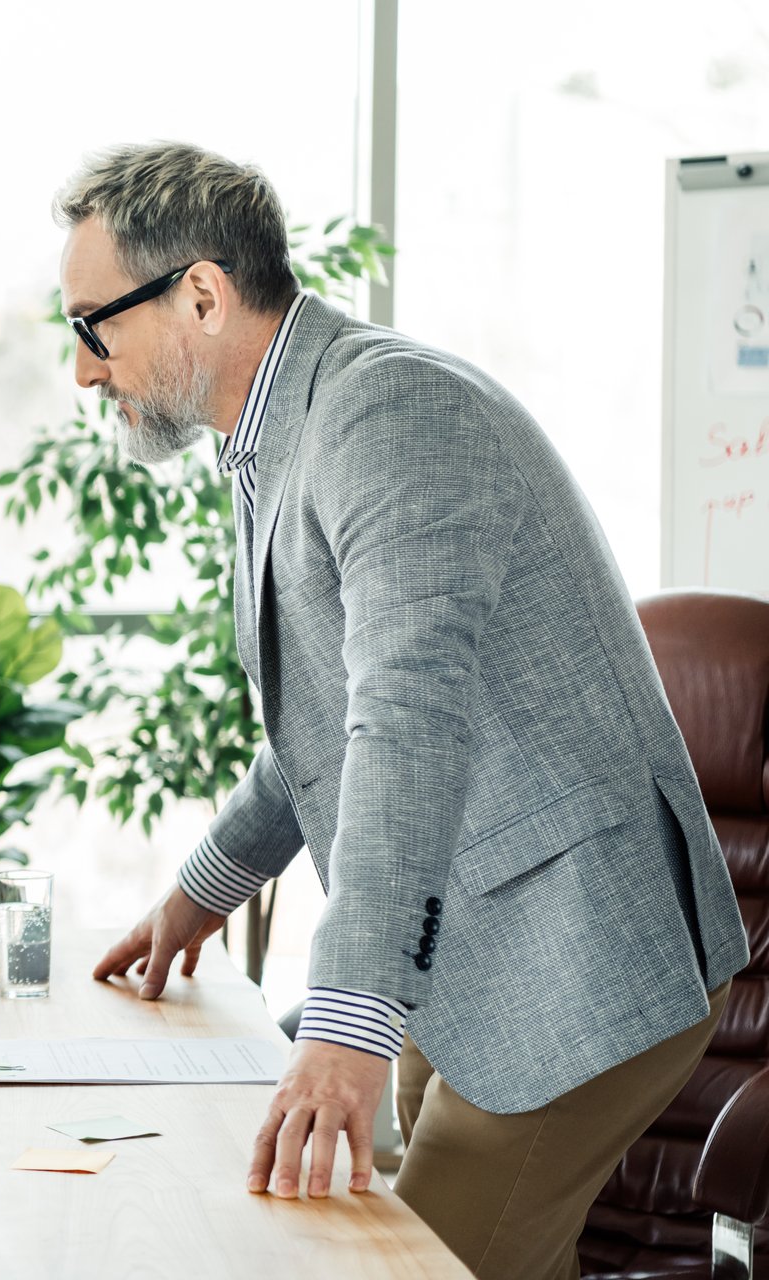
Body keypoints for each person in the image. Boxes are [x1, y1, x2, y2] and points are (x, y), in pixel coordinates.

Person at [61, 143, 747, 1279]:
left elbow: (406, 725)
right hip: (476, 947)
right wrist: (203, 889)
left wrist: (345, 1019)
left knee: (411, 1266)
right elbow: (326, 725)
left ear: (199, 292)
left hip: (580, 953)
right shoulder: (283, 433)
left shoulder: (388, 415)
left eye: (94, 325)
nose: (82, 371)